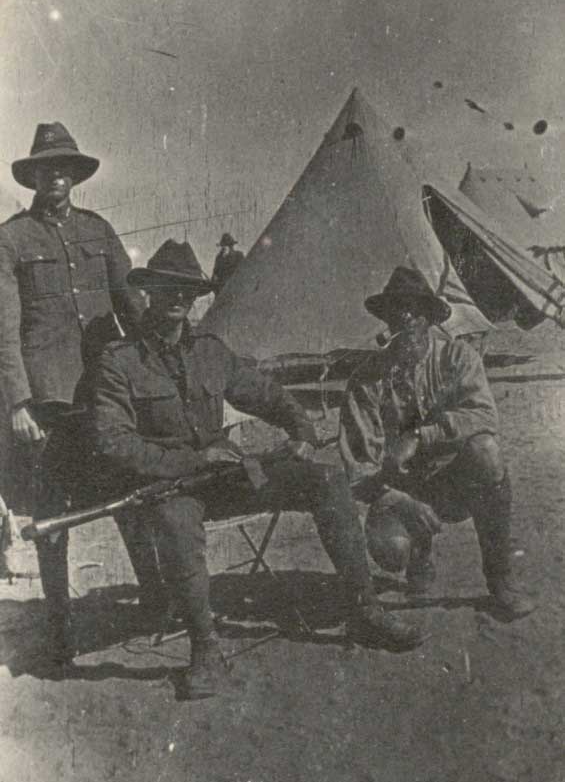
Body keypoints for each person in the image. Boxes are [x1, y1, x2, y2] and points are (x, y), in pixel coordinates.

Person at [88, 240, 426, 699]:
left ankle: (364, 611)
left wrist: (301, 428)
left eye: (188, 290)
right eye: (169, 288)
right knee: (174, 521)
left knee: (325, 478)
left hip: (226, 477)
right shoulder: (120, 361)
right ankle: (206, 650)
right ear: (148, 291)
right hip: (170, 486)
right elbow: (113, 442)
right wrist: (191, 461)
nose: (179, 299)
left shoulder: (209, 349)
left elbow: (262, 392)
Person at [0, 122, 157, 662]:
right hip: (48, 400)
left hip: (105, 389)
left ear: (75, 175)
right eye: (48, 167)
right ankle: (60, 623)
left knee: (131, 489)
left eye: (66, 167)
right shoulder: (12, 238)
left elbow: (132, 305)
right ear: (34, 176)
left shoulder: (98, 230)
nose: (57, 175)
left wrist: (153, 368)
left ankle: (156, 598)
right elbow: (4, 326)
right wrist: (18, 401)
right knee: (51, 513)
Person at [339, 266, 535, 621]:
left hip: (454, 483)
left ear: (430, 317)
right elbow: (358, 469)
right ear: (387, 320)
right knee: (391, 551)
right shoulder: (365, 380)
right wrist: (400, 501)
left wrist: (419, 435)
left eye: (415, 309)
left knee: (487, 452)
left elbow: (483, 417)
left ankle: (501, 580)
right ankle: (418, 555)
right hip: (397, 491)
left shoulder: (457, 358)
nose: (406, 317)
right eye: (397, 309)